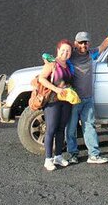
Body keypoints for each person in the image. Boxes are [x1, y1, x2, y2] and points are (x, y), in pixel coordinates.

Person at [66, 24, 108, 164]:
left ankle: (94, 155)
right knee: (71, 128)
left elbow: (103, 46)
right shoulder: (69, 56)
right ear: (75, 43)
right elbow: (57, 62)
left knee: (89, 126)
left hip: (88, 99)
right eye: (80, 42)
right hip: (73, 100)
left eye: (85, 42)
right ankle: (73, 154)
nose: (83, 45)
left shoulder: (91, 54)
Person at [39, 39, 75, 171]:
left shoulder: (69, 65)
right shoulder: (52, 64)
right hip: (53, 101)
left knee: (61, 129)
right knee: (51, 129)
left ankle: (58, 156)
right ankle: (48, 159)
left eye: (68, 51)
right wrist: (56, 89)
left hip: (66, 101)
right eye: (63, 50)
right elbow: (41, 78)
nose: (65, 53)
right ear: (58, 51)